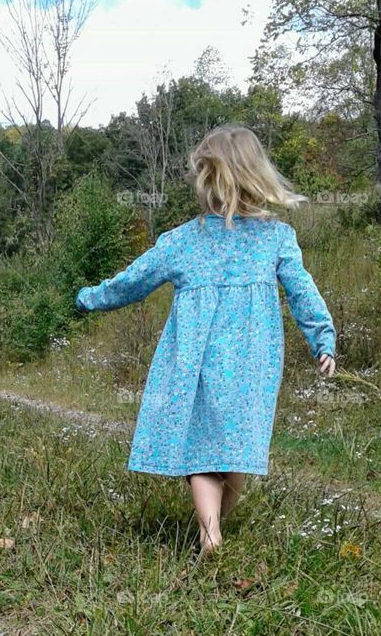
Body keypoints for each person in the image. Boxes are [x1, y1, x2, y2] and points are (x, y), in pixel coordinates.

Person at [74, 123, 337, 556]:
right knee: (236, 450)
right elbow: (302, 291)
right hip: (254, 363)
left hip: (193, 361)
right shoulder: (276, 238)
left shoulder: (182, 241)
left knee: (199, 450)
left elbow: (132, 281)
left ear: (207, 178)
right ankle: (212, 530)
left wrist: (88, 299)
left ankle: (210, 534)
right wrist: (322, 340)